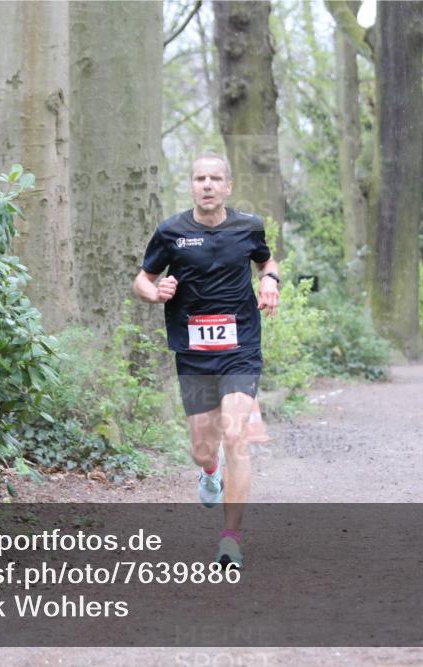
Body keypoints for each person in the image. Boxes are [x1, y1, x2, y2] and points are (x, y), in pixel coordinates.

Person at [133, 152, 279, 569]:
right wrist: (155, 292)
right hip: (194, 352)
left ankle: (230, 540)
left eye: (216, 178)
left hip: (240, 348)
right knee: (202, 448)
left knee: (237, 436)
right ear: (192, 185)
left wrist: (270, 279)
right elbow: (142, 278)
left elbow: (266, 259)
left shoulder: (248, 226)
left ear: (228, 186)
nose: (208, 185)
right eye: (200, 178)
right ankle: (208, 470)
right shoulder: (171, 232)